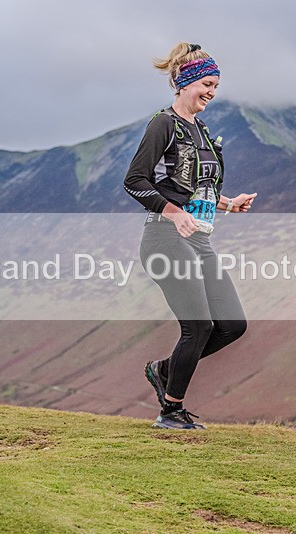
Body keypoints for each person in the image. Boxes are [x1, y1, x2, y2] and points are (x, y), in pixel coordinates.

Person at [124, 42, 257, 430]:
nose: (212, 93)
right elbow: (135, 181)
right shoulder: (163, 124)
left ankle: (164, 370)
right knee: (197, 326)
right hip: (164, 239)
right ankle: (171, 411)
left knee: (232, 325)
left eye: (217, 86)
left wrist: (229, 204)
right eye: (208, 84)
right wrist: (172, 212)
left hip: (199, 241)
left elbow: (197, 191)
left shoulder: (203, 133)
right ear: (186, 82)